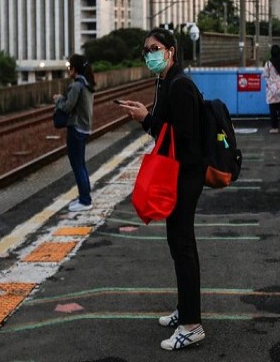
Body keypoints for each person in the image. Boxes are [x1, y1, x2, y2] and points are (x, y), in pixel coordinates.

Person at [118, 28, 207, 351]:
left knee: (183, 245)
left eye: (154, 48)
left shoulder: (180, 85)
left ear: (170, 51)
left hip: (186, 174)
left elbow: (182, 136)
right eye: (145, 50)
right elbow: (163, 127)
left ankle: (192, 325)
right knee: (178, 242)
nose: (149, 55)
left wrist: (146, 119)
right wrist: (144, 113)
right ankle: (186, 310)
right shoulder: (165, 82)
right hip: (178, 173)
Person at [54, 54, 95, 213]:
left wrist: (58, 99)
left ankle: (85, 200)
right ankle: (85, 196)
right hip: (85, 128)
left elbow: (67, 107)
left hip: (76, 129)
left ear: (75, 69)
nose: (68, 70)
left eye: (69, 67)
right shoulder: (87, 84)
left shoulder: (76, 85)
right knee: (81, 164)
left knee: (77, 165)